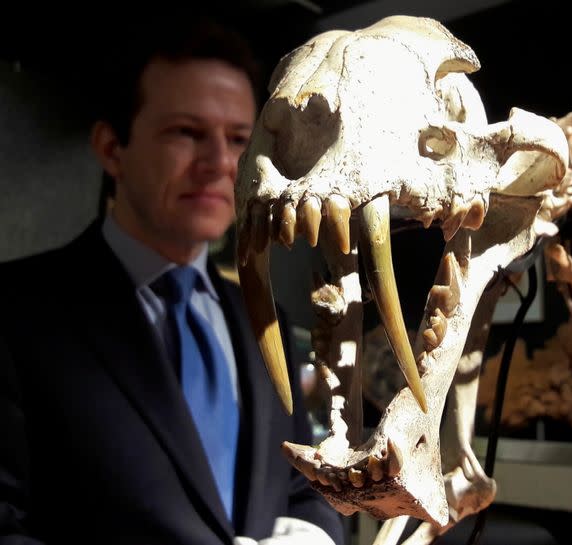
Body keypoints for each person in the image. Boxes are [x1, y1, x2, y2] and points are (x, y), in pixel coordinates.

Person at [0, 15, 344, 545]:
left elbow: (304, 486)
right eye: (187, 133)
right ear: (112, 147)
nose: (220, 164)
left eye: (238, 139)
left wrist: (308, 538)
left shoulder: (267, 322)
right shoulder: (16, 313)